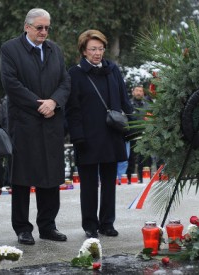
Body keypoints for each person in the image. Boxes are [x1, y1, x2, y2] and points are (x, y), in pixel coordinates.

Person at [0, 8, 71, 245]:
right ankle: (22, 228)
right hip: (25, 122)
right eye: (39, 27)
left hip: (51, 121)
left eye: (47, 28)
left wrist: (54, 102)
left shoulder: (55, 50)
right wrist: (38, 103)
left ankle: (48, 226)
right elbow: (11, 83)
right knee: (22, 177)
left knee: (50, 176)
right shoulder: (10, 49)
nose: (43, 32)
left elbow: (65, 81)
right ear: (27, 27)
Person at [65, 29, 133, 239]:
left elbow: (124, 101)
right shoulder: (75, 74)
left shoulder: (113, 70)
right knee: (88, 185)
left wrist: (135, 125)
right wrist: (77, 136)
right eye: (93, 49)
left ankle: (107, 223)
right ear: (84, 51)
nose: (97, 53)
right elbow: (72, 108)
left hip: (111, 134)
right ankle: (90, 225)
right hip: (87, 136)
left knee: (109, 183)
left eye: (100, 48)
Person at [126, 85, 151, 183]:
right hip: (131, 134)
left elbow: (152, 116)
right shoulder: (128, 104)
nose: (139, 92)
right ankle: (128, 179)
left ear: (143, 93)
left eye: (141, 91)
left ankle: (144, 179)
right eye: (137, 90)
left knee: (145, 158)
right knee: (130, 158)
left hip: (145, 135)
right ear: (133, 92)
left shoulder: (148, 105)